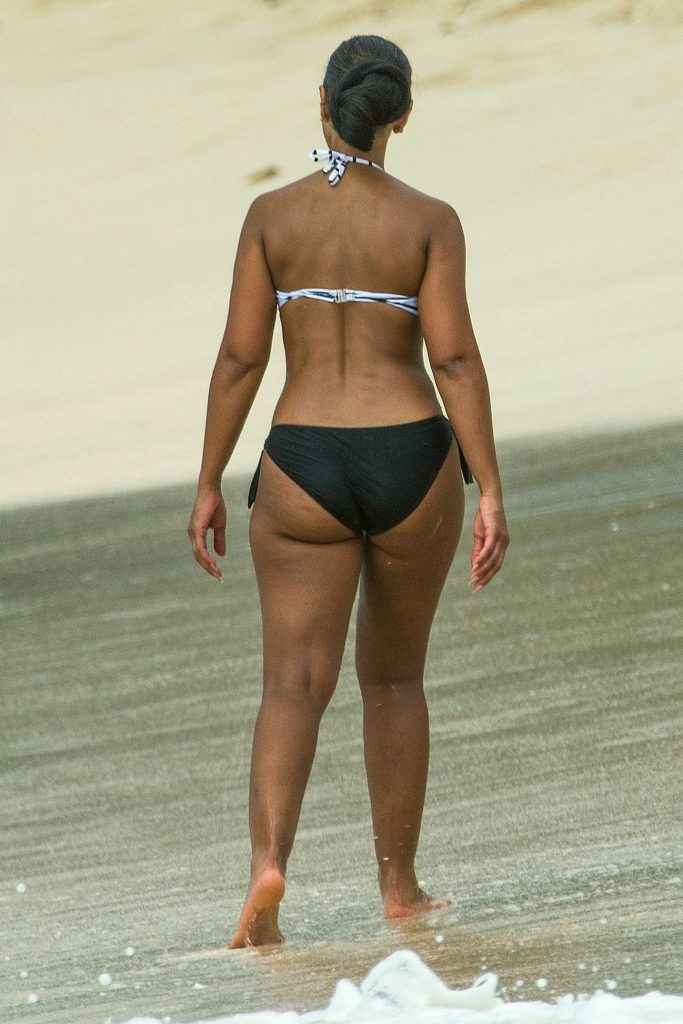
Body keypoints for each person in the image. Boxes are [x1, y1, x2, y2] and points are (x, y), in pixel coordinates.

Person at [187, 34, 510, 949]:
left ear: (322, 103)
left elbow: (240, 358)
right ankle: (399, 888)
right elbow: (454, 358)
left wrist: (209, 479)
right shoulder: (429, 221)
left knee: (291, 686)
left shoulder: (270, 216)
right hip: (410, 458)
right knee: (394, 679)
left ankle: (266, 867)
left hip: (303, 463)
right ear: (398, 118)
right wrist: (488, 486)